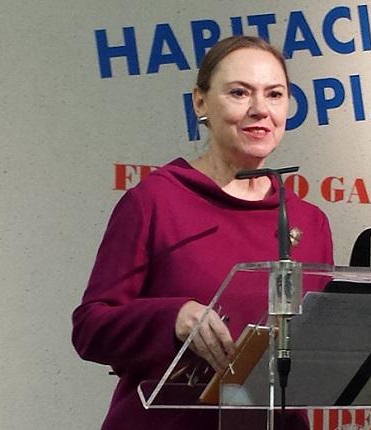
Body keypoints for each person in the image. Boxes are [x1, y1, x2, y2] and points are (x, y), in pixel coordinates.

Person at [72, 35, 334, 429]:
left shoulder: (308, 221)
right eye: (239, 93)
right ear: (200, 103)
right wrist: (172, 317)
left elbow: (318, 348)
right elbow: (91, 327)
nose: (260, 110)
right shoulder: (156, 201)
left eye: (275, 94)